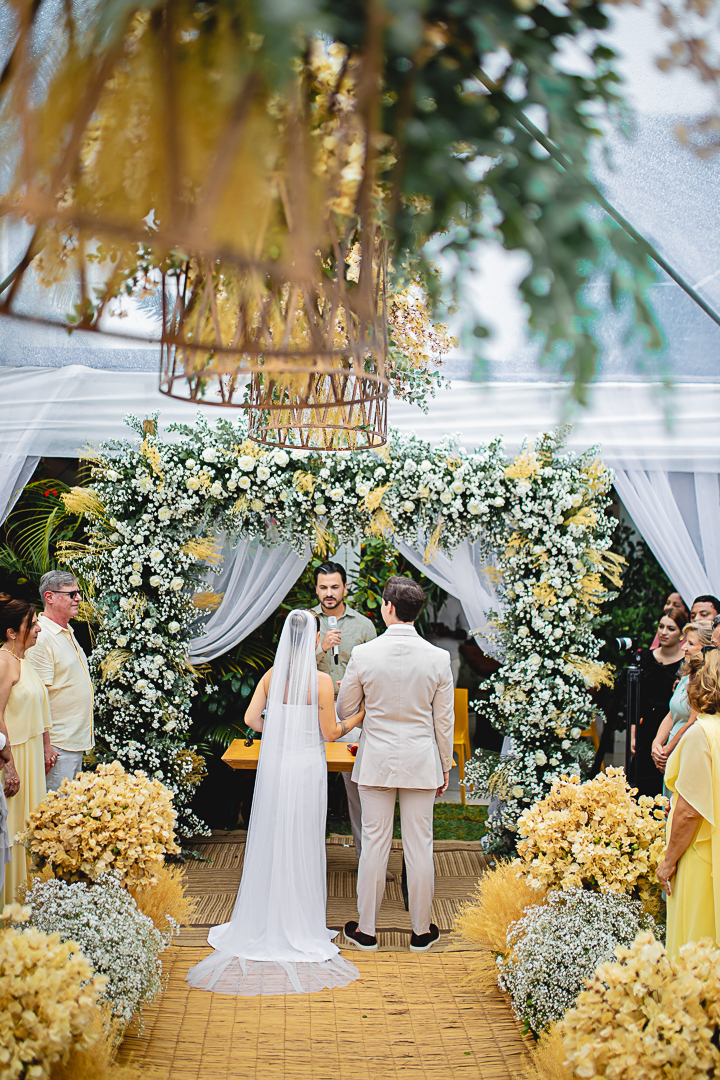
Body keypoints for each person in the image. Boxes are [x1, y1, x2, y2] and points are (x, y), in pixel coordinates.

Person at [186, 609, 365, 996]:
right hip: (306, 768)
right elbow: (331, 733)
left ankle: (266, 915)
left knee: (273, 834)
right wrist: (359, 717)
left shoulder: (271, 676)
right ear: (313, 639)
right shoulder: (320, 682)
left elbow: (252, 719)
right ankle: (300, 919)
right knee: (303, 839)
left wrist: (281, 729)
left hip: (278, 765)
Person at [337, 576, 455, 954]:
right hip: (421, 760)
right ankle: (420, 932)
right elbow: (443, 721)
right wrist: (445, 766)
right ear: (416, 611)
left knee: (374, 844)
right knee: (420, 846)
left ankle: (367, 931)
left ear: (388, 607)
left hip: (377, 759)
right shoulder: (438, 658)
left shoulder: (363, 654)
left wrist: (371, 711)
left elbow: (344, 708)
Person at [658, 650, 720, 959]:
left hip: (699, 854)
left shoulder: (700, 734)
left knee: (694, 943)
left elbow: (690, 811)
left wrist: (668, 862)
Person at [313, 561, 376, 860]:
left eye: (335, 587)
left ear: (345, 588)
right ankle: (307, 862)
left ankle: (368, 861)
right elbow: (289, 667)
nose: (329, 593)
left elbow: (377, 671)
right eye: (323, 587)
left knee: (360, 789)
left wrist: (354, 683)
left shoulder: (363, 626)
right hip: (313, 714)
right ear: (316, 590)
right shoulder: (305, 622)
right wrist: (321, 648)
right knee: (308, 789)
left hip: (351, 715)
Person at [0, 596, 52, 906]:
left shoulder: (24, 659)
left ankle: (33, 904)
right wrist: (9, 766)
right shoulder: (3, 662)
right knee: (15, 832)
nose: (38, 629)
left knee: (34, 830)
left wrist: (46, 746)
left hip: (32, 756)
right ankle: (12, 907)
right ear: (11, 632)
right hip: (14, 758)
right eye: (31, 624)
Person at [26, 570, 94, 791]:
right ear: (50, 597)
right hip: (57, 747)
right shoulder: (41, 637)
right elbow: (37, 697)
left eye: (78, 592)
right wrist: (46, 746)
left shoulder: (67, 630)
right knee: (57, 810)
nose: (78, 598)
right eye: (71, 594)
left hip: (72, 743)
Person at [632, 609, 688, 798]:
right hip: (646, 727)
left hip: (670, 727)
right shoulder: (645, 658)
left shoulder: (685, 663)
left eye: (671, 628)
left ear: (681, 634)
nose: (664, 632)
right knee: (639, 784)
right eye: (661, 626)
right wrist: (633, 733)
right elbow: (636, 700)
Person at [651, 620, 713, 790]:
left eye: (690, 643)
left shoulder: (706, 681)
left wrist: (667, 751)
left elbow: (693, 721)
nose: (684, 647)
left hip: (688, 753)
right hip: (670, 753)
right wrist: (657, 744)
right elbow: (672, 713)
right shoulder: (686, 675)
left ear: (706, 649)